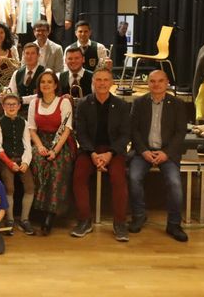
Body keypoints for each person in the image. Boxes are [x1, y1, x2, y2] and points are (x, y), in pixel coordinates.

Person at [128, 70, 188, 242]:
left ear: (167, 82)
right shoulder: (139, 103)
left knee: (175, 183)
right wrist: (144, 151)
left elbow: (180, 132)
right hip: (143, 152)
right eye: (152, 81)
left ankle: (174, 224)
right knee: (133, 177)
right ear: (148, 83)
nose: (156, 84)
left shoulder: (177, 104)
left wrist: (166, 153)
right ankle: (139, 215)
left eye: (160, 81)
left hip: (167, 153)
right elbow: (134, 130)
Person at [71, 68, 130, 241]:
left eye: (106, 80)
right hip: (90, 150)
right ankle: (84, 220)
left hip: (114, 150)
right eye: (99, 80)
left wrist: (110, 154)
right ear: (93, 83)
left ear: (112, 83)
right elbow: (80, 133)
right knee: (79, 176)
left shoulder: (122, 105)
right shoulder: (83, 104)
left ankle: (119, 223)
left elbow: (125, 134)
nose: (102, 83)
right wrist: (93, 154)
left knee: (118, 178)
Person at [28, 70, 74, 236]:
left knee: (56, 167)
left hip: (60, 143)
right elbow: (32, 129)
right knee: (38, 164)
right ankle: (39, 210)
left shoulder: (64, 102)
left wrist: (55, 150)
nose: (46, 85)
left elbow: (66, 129)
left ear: (55, 85)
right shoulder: (35, 102)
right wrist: (40, 146)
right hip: (40, 141)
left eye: (49, 82)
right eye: (43, 82)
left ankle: (50, 214)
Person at [0, 93, 34, 236]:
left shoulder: (24, 122)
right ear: (3, 106)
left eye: (14, 104)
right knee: (9, 187)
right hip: (6, 160)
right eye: (8, 104)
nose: (11, 107)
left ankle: (25, 219)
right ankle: (9, 219)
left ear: (19, 106)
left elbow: (27, 145)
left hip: (21, 159)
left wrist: (25, 162)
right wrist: (10, 163)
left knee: (30, 187)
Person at [5, 43, 44, 113]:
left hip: (39, 111)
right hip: (19, 112)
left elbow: (44, 95)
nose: (29, 56)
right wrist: (5, 96)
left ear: (38, 55)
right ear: (23, 55)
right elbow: (11, 93)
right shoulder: (17, 73)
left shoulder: (45, 73)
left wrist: (22, 99)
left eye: (33, 53)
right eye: (27, 53)